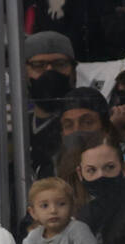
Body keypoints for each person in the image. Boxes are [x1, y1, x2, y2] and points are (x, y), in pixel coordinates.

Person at [6, 177, 103, 244]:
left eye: (61, 204)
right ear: (33, 212)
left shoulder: (78, 230)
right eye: (44, 206)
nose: (53, 210)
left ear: (72, 207)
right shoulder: (33, 237)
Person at [25, 31, 79, 177]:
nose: (49, 71)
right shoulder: (18, 124)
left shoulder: (82, 123)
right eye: (38, 65)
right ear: (24, 73)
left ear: (74, 72)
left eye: (60, 64)